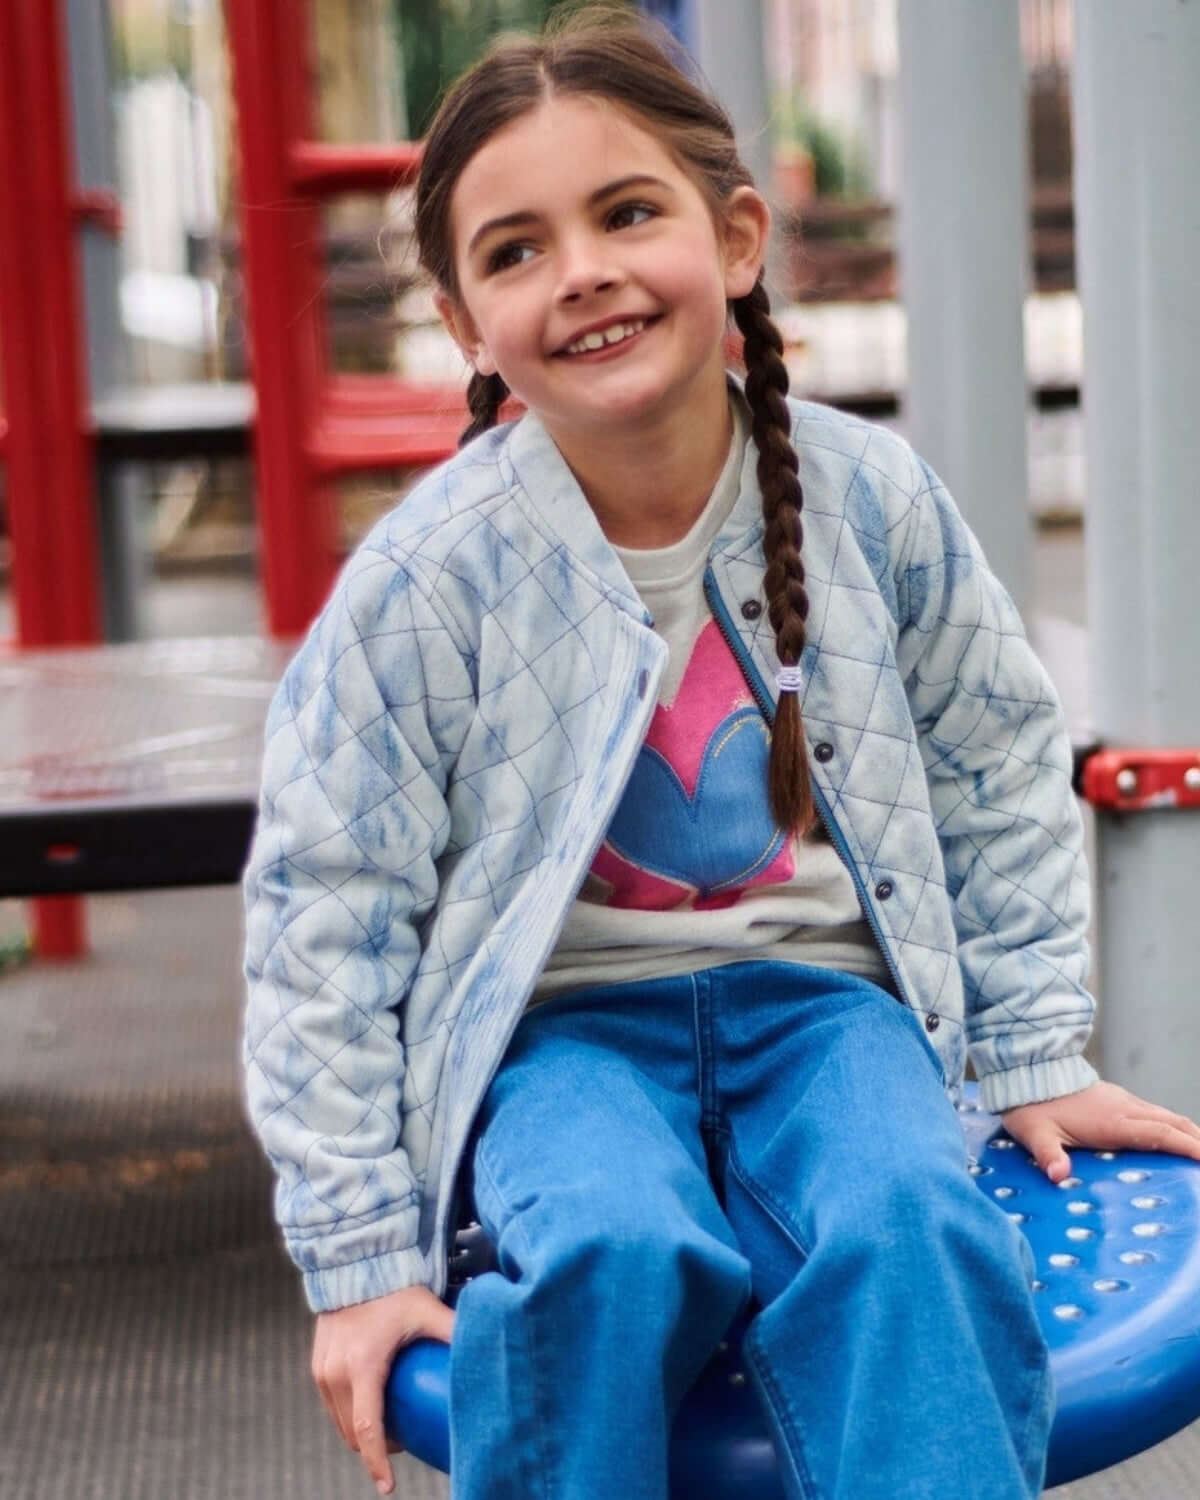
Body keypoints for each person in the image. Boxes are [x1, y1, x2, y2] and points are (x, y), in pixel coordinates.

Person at [241, 10, 1200, 1499]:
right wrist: (359, 1248)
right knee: (606, 1251)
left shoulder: (867, 499)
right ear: (462, 321)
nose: (584, 272)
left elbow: (998, 764)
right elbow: (326, 908)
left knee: (911, 1227)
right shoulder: (432, 581)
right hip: (565, 1041)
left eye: (627, 213)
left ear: (737, 236)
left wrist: (1021, 1048)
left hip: (828, 1012)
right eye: (515, 250)